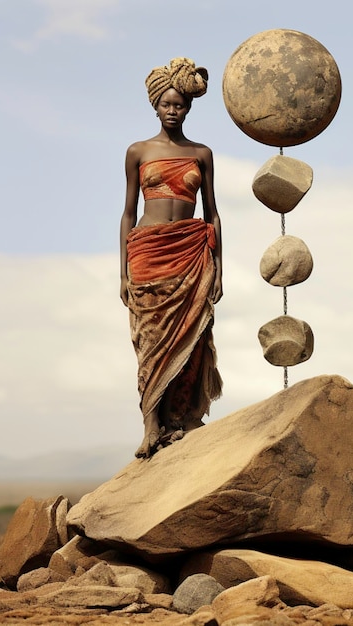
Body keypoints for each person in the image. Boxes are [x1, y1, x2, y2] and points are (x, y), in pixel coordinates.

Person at [120, 57, 223, 459]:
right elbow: (128, 213)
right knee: (150, 340)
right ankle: (150, 424)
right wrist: (123, 272)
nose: (173, 110)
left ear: (189, 107)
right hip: (146, 252)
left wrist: (219, 268)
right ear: (155, 106)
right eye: (166, 104)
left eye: (179, 104)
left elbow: (212, 212)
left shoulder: (202, 153)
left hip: (192, 252)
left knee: (192, 337)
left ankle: (180, 418)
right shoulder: (138, 151)